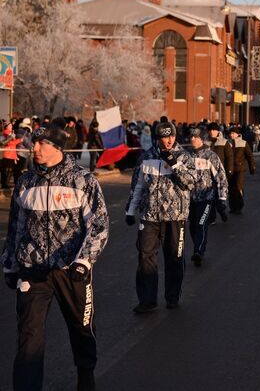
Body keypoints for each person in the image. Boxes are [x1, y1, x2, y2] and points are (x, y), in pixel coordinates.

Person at [1, 119, 109, 391]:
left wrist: (84, 261)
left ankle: (85, 373)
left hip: (70, 270)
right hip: (33, 271)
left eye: (41, 143)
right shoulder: (26, 182)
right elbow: (16, 226)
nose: (34, 147)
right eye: (34, 142)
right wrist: (11, 266)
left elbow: (98, 225)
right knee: (29, 337)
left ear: (58, 146)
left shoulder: (82, 180)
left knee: (81, 328)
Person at [125, 121, 195, 313]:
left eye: (171, 136)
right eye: (165, 136)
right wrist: (130, 211)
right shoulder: (145, 158)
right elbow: (137, 187)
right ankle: (148, 300)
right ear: (158, 138)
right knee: (145, 257)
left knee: (174, 258)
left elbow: (190, 183)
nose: (169, 140)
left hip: (175, 217)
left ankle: (172, 297)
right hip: (149, 217)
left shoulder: (184, 157)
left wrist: (174, 163)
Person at [187, 127, 229, 265]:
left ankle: (198, 251)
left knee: (201, 224)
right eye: (191, 136)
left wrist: (222, 198)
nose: (192, 139)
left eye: (196, 137)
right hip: (190, 199)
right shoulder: (186, 156)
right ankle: (197, 247)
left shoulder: (211, 156)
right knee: (192, 227)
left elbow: (221, 177)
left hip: (206, 198)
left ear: (202, 139)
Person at [228, 125, 256, 215]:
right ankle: (232, 207)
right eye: (230, 133)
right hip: (230, 169)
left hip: (240, 169)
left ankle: (239, 207)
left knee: (238, 187)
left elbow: (250, 156)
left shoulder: (243, 143)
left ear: (237, 134)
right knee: (231, 189)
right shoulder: (228, 143)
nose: (231, 135)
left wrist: (252, 167)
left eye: (233, 133)